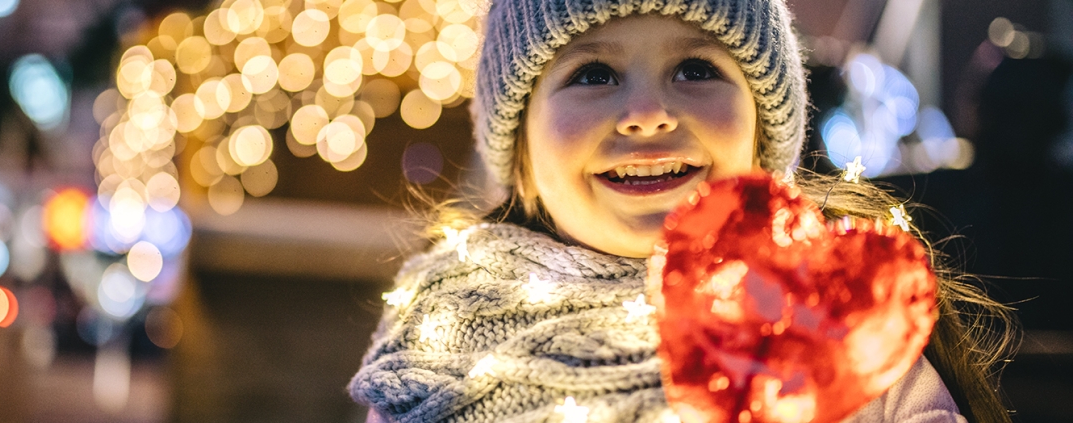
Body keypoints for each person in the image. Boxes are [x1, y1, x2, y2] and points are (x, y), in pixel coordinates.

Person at [348, 0, 1015, 422]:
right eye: (592, 75)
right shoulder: (448, 344)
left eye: (696, 68)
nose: (646, 114)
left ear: (764, 129)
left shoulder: (844, 321)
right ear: (520, 148)